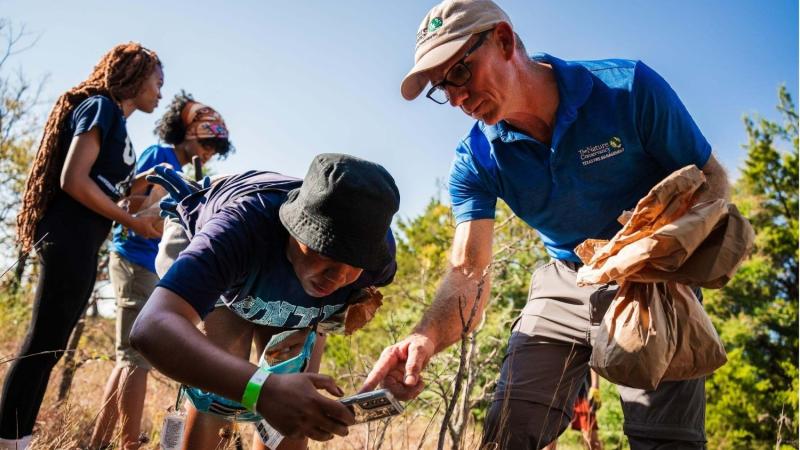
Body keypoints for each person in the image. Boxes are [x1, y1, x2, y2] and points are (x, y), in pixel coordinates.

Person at [360, 1, 730, 449]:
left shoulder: (628, 90)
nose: (455, 97)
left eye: (459, 72)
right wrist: (424, 337)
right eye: (442, 87)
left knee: (667, 442)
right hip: (566, 277)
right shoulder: (477, 160)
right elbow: (468, 272)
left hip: (652, 278)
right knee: (507, 431)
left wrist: (669, 251)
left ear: (503, 40)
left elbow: (710, 179)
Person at [129, 153, 399, 450]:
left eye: (354, 265)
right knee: (219, 389)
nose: (338, 277)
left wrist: (301, 339)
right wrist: (261, 390)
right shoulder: (240, 228)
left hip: (274, 275)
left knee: (294, 392)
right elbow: (151, 327)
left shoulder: (377, 259)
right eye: (326, 253)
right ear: (295, 227)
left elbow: (341, 302)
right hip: (234, 264)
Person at [0, 43, 163, 450]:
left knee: (50, 348)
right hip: (68, 234)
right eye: (157, 83)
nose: (160, 93)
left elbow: (102, 188)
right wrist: (132, 222)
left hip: (86, 239)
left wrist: (135, 197)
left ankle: (19, 438)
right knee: (40, 344)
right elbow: (73, 180)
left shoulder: (118, 124)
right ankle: (8, 439)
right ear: (135, 76)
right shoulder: (100, 107)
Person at [89, 92, 233, 450]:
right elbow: (129, 199)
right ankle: (128, 443)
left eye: (215, 148)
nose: (209, 153)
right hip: (133, 257)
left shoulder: (185, 171)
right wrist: (147, 213)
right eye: (207, 144)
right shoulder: (160, 157)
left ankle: (97, 443)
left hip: (150, 265)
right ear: (188, 133)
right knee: (136, 357)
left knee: (128, 358)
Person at [544, 370, 603, 450]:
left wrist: (595, 386)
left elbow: (592, 358)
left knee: (591, 440)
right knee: (549, 441)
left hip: (582, 388)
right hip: (558, 387)